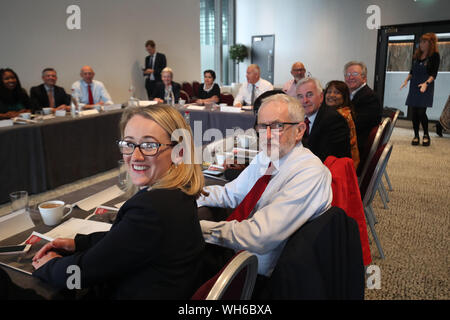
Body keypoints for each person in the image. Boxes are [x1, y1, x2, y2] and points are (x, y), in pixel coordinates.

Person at [32, 104, 206, 299]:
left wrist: (49, 266)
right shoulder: (177, 193)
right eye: (129, 144)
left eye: (149, 145)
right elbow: (126, 241)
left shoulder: (151, 209)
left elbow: (81, 274)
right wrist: (78, 243)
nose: (135, 156)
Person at [198, 94, 332, 284]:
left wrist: (200, 229)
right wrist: (190, 194)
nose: (267, 135)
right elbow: (231, 193)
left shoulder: (309, 172)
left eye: (277, 126)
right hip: (243, 252)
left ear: (299, 130)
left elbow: (259, 236)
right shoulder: (267, 157)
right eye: (262, 127)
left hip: (263, 273)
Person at [296, 77, 351, 162]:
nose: (305, 100)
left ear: (321, 97)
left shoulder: (334, 120)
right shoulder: (297, 118)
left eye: (309, 95)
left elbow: (325, 158)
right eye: (300, 96)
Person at [401, 33, 440, 146]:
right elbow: (412, 71)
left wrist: (426, 83)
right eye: (421, 41)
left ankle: (426, 134)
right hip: (414, 86)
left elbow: (434, 74)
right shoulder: (417, 55)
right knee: (414, 112)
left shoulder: (435, 55)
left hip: (425, 85)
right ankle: (416, 135)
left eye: (424, 42)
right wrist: (406, 80)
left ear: (430, 43)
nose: (421, 44)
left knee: (421, 112)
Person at [344, 61, 382, 155]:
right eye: (347, 74)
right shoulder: (352, 94)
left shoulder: (369, 97)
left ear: (364, 78)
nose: (350, 77)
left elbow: (355, 124)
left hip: (357, 146)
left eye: (355, 74)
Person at [324, 80, 360, 170]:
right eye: (329, 92)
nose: (331, 95)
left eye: (337, 92)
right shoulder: (342, 111)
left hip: (343, 164)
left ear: (344, 96)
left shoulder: (341, 116)